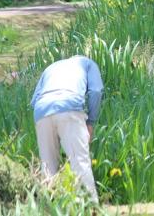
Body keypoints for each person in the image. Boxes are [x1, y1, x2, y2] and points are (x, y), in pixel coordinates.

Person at [30, 55, 103, 201]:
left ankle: (49, 207)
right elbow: (96, 91)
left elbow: (33, 101)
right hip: (70, 106)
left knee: (48, 166)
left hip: (41, 110)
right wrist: (91, 123)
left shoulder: (51, 67)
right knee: (80, 162)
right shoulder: (88, 63)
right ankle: (90, 207)